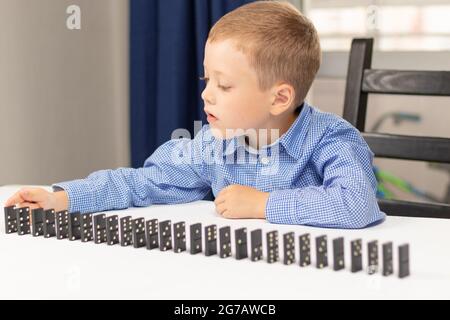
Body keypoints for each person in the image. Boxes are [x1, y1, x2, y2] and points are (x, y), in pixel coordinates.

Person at [5, 1, 385, 229]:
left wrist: (262, 204)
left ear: (279, 98)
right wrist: (62, 197)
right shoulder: (212, 143)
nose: (205, 94)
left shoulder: (331, 139)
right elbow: (141, 183)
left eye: (224, 85)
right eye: (207, 79)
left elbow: (357, 203)